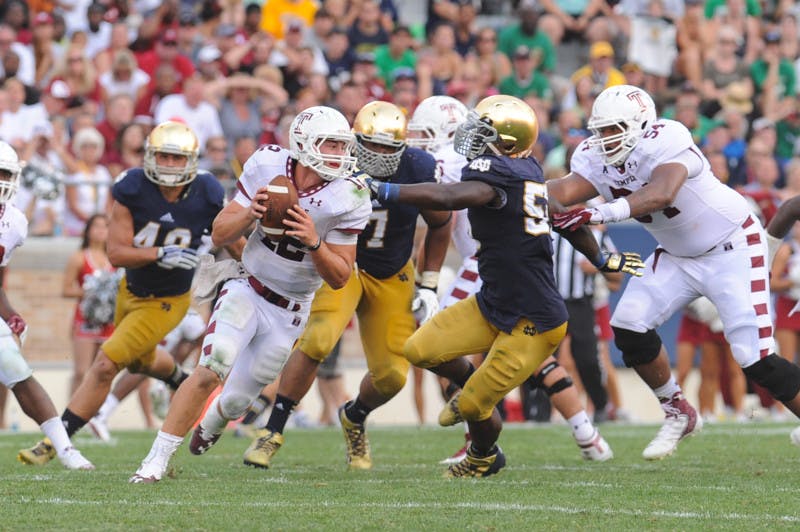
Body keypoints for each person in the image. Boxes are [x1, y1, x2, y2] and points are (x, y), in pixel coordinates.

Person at [366, 95, 642, 477]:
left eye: (482, 131)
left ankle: (483, 456)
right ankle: (478, 390)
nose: (471, 136)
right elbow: (562, 215)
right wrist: (600, 258)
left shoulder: (497, 177)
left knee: (476, 405)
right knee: (418, 349)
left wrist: (385, 190)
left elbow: (449, 197)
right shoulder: (526, 168)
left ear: (506, 141)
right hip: (493, 301)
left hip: (534, 319)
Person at [549, 84, 800, 460]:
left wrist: (599, 212)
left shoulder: (667, 139)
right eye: (599, 130)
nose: (604, 139)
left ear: (640, 125)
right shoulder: (595, 157)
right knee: (629, 323)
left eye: (613, 129)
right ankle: (678, 410)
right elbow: (562, 190)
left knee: (755, 356)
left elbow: (661, 193)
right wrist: (520, 190)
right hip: (678, 255)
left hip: (731, 246)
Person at [129, 106, 372, 483]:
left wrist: (314, 243)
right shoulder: (267, 164)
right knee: (212, 368)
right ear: (304, 144)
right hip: (247, 286)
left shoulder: (351, 195)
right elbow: (220, 232)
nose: (340, 156)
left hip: (290, 309)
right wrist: (250, 214)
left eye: (343, 147)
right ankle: (155, 462)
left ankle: (214, 419)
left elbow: (340, 277)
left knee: (238, 400)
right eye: (332, 146)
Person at [242, 101, 452, 471]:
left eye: (391, 147)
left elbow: (441, 220)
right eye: (373, 145)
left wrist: (429, 282)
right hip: (341, 266)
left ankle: (354, 415)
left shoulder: (418, 166)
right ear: (355, 140)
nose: (382, 155)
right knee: (319, 339)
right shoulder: (334, 161)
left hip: (391, 271)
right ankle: (272, 430)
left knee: (391, 377)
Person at [18, 121, 231, 467]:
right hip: (128, 290)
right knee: (139, 359)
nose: (169, 165)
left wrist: (244, 267)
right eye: (163, 155)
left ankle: (56, 441)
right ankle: (178, 377)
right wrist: (161, 253)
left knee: (106, 363)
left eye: (177, 159)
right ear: (150, 155)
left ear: (191, 161)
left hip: (167, 301)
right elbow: (116, 253)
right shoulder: (133, 187)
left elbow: (229, 236)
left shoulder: (206, 192)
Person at [0, 141, 91, 470]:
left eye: (4, 173)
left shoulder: (14, 222)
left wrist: (9, 313)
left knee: (18, 371)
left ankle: (65, 449)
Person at [63, 214, 116, 397]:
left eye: (105, 226)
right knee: (81, 371)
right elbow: (66, 289)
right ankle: (69, 416)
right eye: (96, 226)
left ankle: (94, 416)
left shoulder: (114, 257)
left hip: (108, 322)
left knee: (101, 371)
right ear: (88, 231)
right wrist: (93, 292)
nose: (101, 230)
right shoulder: (79, 257)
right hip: (85, 320)